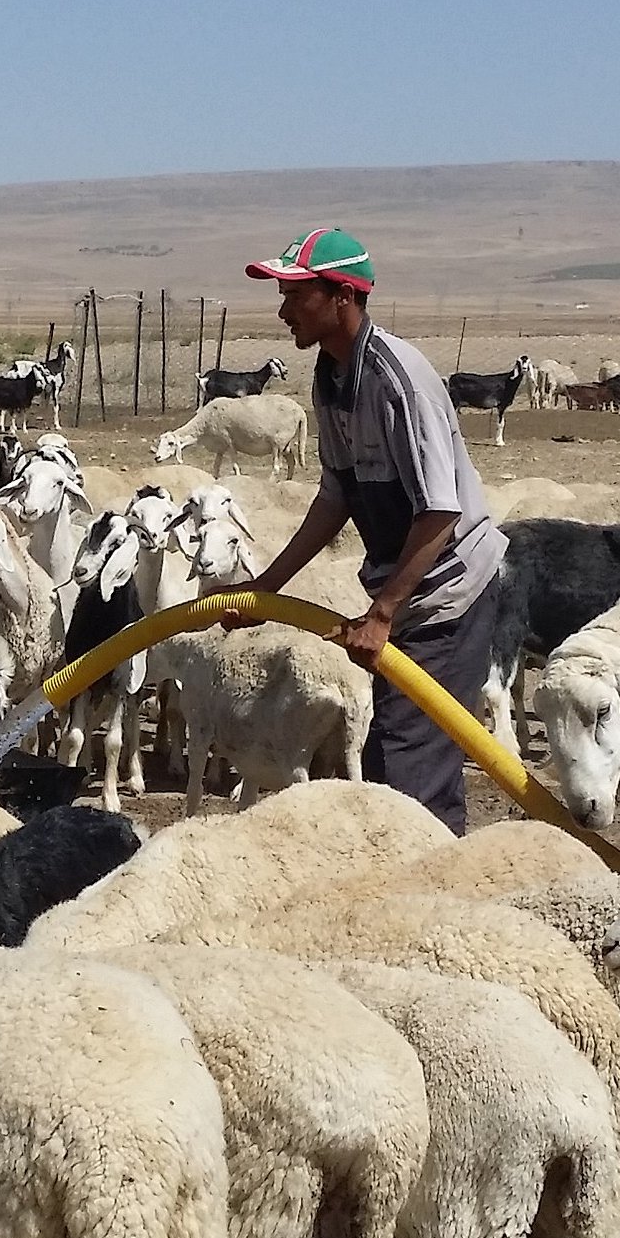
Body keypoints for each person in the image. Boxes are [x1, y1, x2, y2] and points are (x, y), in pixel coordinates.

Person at [232, 227, 507, 835]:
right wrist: (263, 591)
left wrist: (381, 612)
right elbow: (336, 497)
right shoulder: (331, 377)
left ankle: (431, 901)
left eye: (295, 295)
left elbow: (440, 511)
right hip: (407, 592)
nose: (282, 311)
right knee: (392, 758)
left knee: (413, 775)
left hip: (447, 594)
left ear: (342, 298)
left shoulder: (397, 381)